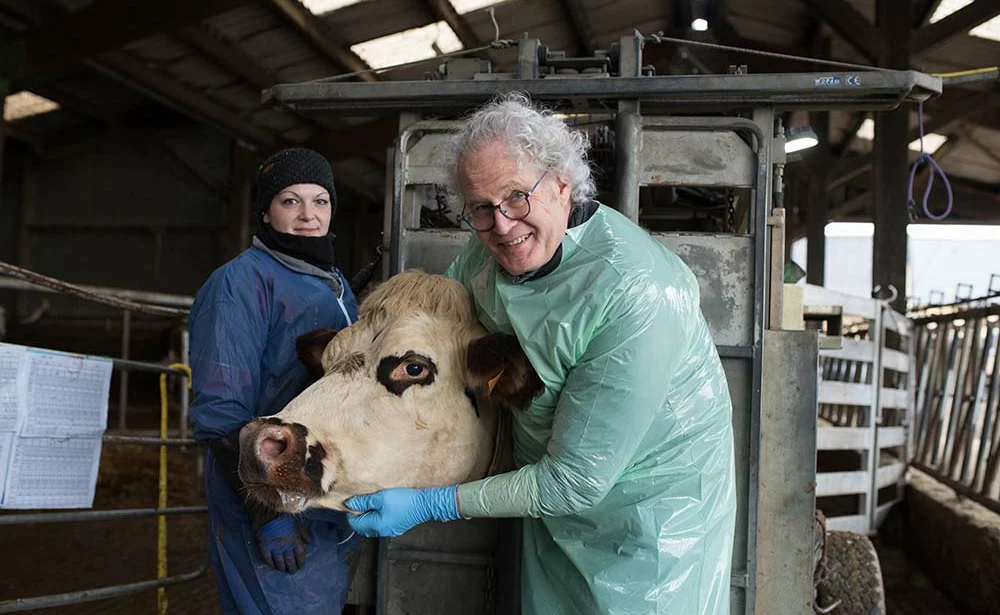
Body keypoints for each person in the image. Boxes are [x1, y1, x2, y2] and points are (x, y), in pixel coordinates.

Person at [345, 94, 737, 614]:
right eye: (481, 208)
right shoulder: (482, 256)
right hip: (548, 505)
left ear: (561, 185)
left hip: (652, 525)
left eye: (516, 198)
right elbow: (439, 326)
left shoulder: (634, 291)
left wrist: (430, 502)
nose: (502, 225)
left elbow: (575, 482)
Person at [189, 148, 359, 615]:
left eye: (320, 201)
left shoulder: (335, 283)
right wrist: (268, 513)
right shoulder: (239, 284)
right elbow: (222, 414)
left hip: (323, 498)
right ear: (265, 211)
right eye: (291, 201)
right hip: (268, 496)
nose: (308, 216)